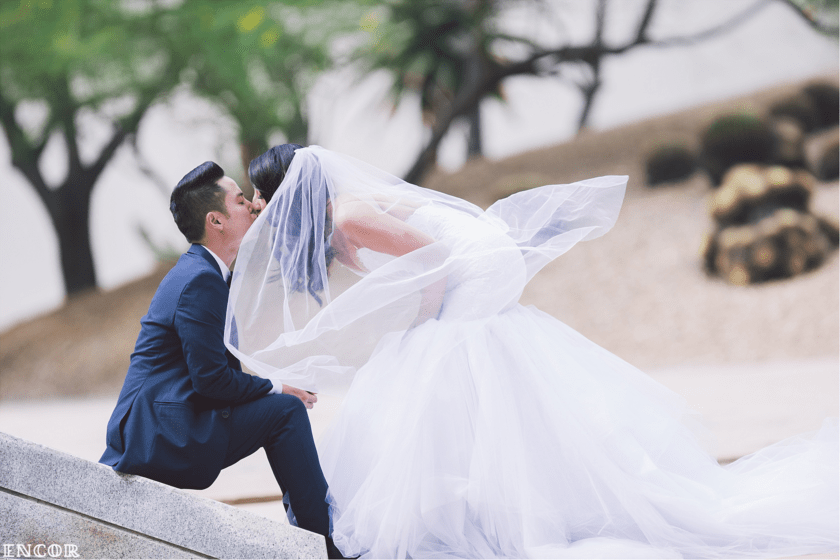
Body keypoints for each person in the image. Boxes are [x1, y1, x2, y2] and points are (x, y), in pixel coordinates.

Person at [226, 144, 839, 559]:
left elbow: (430, 256)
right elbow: (392, 264)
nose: (257, 202)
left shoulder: (347, 213)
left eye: (260, 192)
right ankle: (490, 484)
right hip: (469, 259)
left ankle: (491, 496)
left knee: (435, 354)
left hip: (474, 265)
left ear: (289, 190)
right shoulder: (336, 219)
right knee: (449, 361)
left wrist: (423, 317)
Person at [100, 161, 348, 559]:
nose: (251, 205)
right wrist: (277, 387)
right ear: (215, 220)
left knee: (280, 410)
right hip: (159, 434)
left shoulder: (206, 272)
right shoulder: (200, 280)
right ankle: (325, 546)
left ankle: (316, 538)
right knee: (284, 412)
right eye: (240, 199)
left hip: (160, 423)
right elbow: (212, 381)